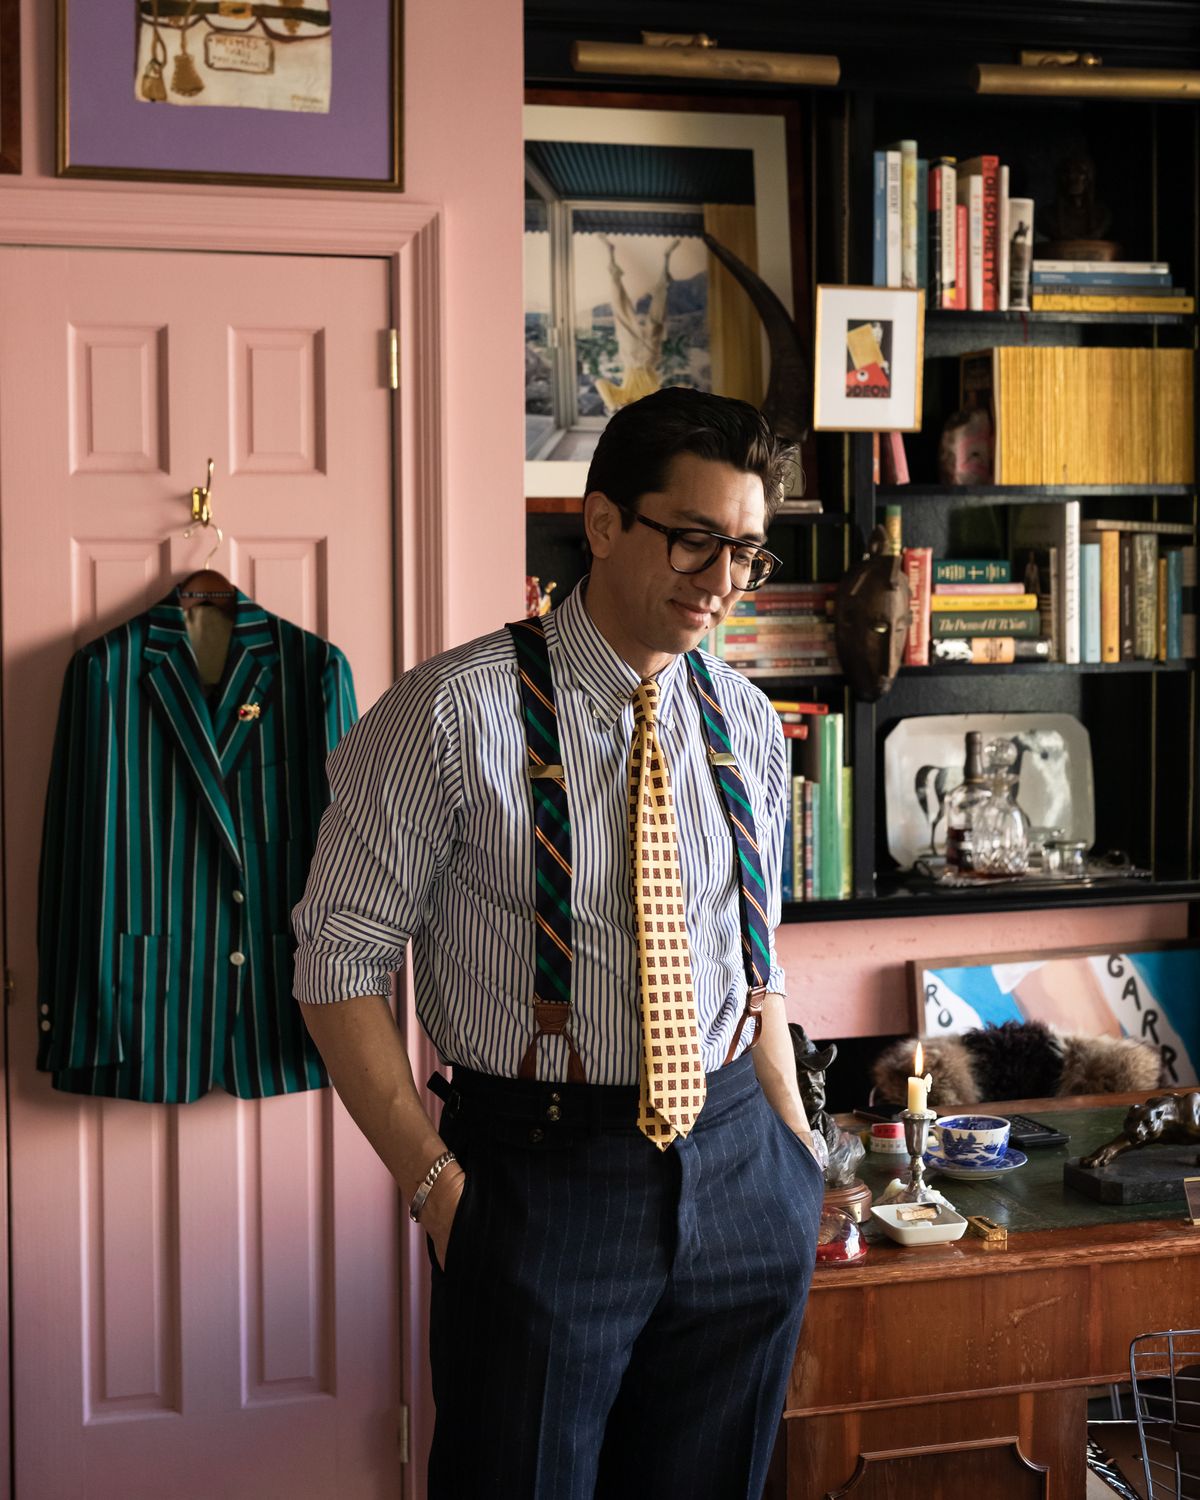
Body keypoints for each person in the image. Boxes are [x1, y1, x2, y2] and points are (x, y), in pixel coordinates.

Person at [292, 386, 824, 1500]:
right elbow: (335, 963)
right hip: (539, 1177)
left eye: (748, 553)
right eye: (694, 543)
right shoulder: (446, 714)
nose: (724, 584)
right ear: (602, 524)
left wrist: (792, 1145)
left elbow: (756, 963)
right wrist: (438, 1188)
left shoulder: (748, 723)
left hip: (740, 1170)